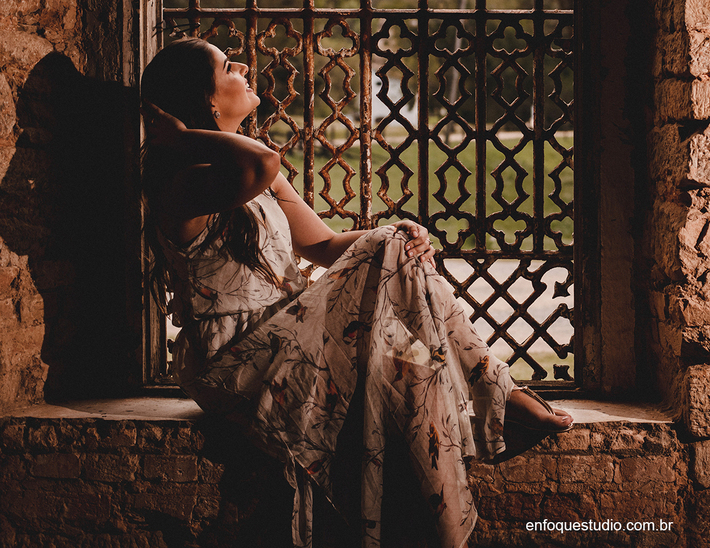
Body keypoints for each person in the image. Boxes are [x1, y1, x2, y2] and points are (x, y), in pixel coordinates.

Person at [140, 37, 572, 548]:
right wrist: (180, 139)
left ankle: (478, 406)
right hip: (235, 364)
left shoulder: (258, 177)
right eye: (226, 66)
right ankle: (498, 394)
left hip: (289, 341)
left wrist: (400, 232)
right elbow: (260, 163)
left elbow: (323, 245)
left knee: (407, 328)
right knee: (395, 295)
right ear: (208, 102)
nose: (243, 65)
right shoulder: (184, 186)